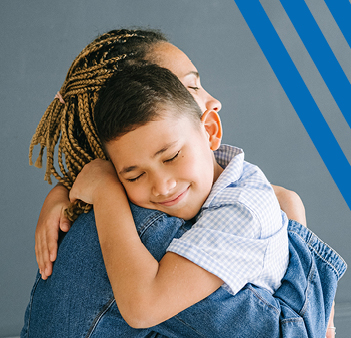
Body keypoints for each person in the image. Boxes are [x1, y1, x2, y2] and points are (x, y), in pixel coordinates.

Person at [22, 29, 345, 338]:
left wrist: (63, 190)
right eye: (189, 89)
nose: (213, 100)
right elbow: (288, 332)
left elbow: (280, 199)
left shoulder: (148, 195)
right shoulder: (140, 228)